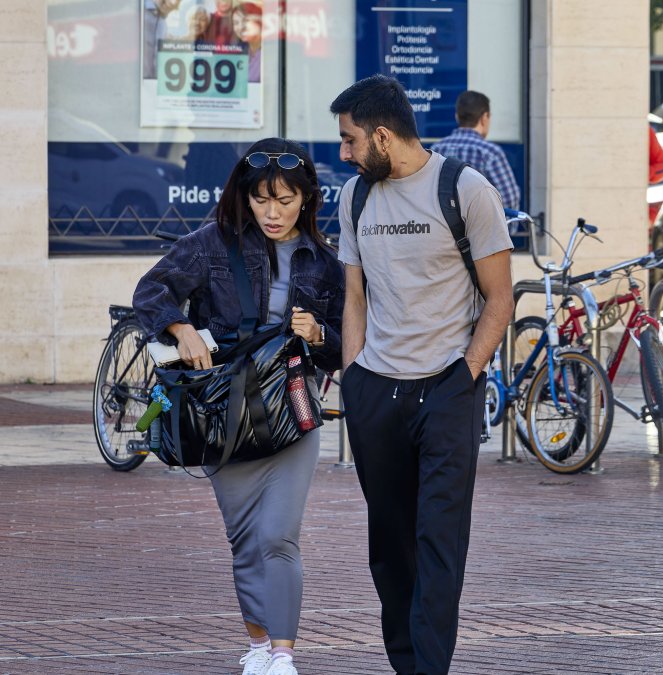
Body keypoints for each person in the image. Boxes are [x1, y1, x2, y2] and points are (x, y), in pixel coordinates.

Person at [133, 138, 345, 675]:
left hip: (292, 413)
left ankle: (282, 654)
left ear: (307, 198)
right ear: (244, 197)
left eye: (285, 199)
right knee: (245, 538)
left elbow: (350, 346)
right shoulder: (211, 245)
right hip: (221, 414)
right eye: (261, 199)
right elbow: (149, 291)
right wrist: (180, 328)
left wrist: (320, 333)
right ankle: (256, 644)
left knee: (278, 535)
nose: (272, 212)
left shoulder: (326, 263)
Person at [329, 75, 514, 675]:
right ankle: (406, 664)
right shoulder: (354, 198)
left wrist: (466, 374)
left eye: (351, 140)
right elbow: (353, 296)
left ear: (383, 136)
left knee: (438, 541)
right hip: (375, 391)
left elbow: (500, 298)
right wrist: (353, 377)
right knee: (390, 547)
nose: (344, 153)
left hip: (446, 389)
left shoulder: (466, 191)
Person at [430, 90, 522, 211]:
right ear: (484, 117)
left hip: (441, 228)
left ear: (457, 116)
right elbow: (510, 198)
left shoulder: (436, 148)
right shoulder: (490, 152)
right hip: (481, 226)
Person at [232, 0, 263, 83]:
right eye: (236, 23)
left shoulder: (270, 52)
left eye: (246, 20)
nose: (240, 27)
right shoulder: (240, 51)